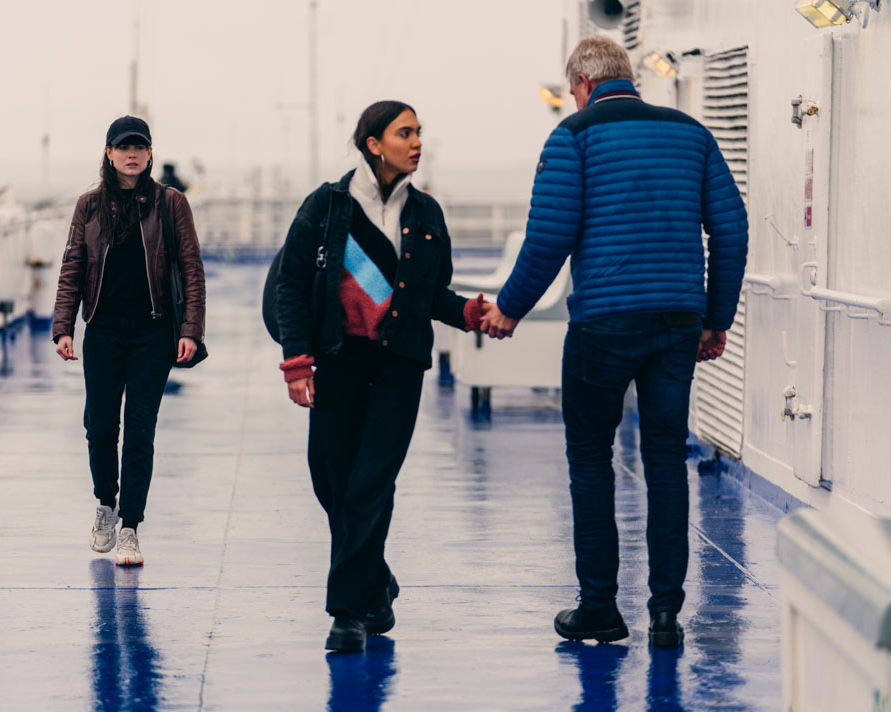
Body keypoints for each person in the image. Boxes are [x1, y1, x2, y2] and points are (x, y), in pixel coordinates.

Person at [481, 37, 748, 647]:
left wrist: (509, 310)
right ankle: (665, 615)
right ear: (629, 78)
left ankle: (600, 607)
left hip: (602, 324)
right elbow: (731, 230)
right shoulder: (691, 134)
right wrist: (716, 318)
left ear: (580, 82)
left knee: (590, 461)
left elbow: (548, 238)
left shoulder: (573, 136)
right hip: (678, 322)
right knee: (664, 460)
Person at [276, 101, 491, 653]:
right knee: (330, 478)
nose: (417, 141)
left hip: (398, 366)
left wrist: (467, 313)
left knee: (370, 482)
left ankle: (348, 613)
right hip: (337, 360)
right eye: (405, 133)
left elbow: (429, 294)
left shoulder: (426, 214)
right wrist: (297, 361)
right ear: (373, 143)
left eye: (419, 132)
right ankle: (376, 577)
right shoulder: (326, 206)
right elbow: (292, 286)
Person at [53, 115, 206, 566]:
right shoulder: (89, 206)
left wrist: (190, 331)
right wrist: (64, 326)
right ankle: (106, 503)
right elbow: (72, 268)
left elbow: (191, 271)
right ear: (109, 153)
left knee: (140, 432)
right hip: (102, 330)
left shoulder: (171, 203)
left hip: (152, 333)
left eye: (140, 146)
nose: (132, 154)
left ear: (150, 153)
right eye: (124, 147)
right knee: (99, 427)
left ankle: (131, 528)